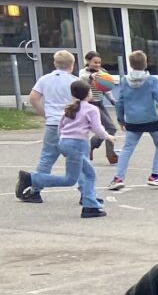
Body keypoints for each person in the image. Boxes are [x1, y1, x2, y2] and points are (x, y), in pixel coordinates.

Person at [19, 80, 108, 215]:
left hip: (65, 142)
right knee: (78, 178)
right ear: (88, 93)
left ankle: (90, 204)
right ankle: (33, 179)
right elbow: (97, 128)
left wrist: (64, 140)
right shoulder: (91, 109)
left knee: (83, 175)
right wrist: (108, 137)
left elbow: (61, 127)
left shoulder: (70, 108)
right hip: (77, 144)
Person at [109, 50, 158, 192]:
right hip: (150, 118)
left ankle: (118, 178)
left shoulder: (125, 81)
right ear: (145, 63)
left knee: (127, 148)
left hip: (132, 120)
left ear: (130, 65)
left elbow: (119, 102)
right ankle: (155, 175)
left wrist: (120, 119)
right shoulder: (151, 81)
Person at [20, 49, 78, 192]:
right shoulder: (74, 81)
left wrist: (45, 114)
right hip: (70, 123)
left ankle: (35, 190)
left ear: (55, 64)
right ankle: (86, 192)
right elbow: (81, 101)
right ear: (72, 65)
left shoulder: (45, 79)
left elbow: (33, 98)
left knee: (47, 157)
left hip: (53, 122)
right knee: (78, 159)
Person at [83, 50, 120, 166]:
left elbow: (106, 90)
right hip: (90, 104)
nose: (97, 65)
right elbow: (82, 80)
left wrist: (113, 101)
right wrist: (90, 77)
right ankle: (110, 154)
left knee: (107, 128)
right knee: (111, 128)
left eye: (99, 62)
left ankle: (91, 146)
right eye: (95, 62)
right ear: (88, 61)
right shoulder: (83, 73)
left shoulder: (102, 72)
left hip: (100, 104)